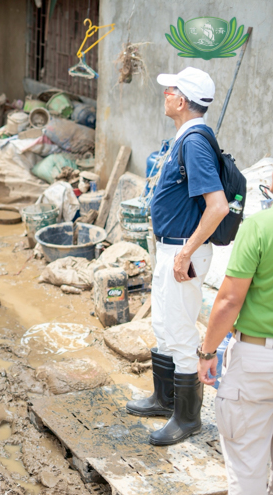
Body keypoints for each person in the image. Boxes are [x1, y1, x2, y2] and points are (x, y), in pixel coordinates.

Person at [125, 67, 229, 446]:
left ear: (181, 100)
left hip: (184, 249)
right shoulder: (185, 137)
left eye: (169, 90)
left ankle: (187, 419)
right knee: (166, 327)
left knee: (182, 333)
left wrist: (185, 253)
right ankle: (164, 399)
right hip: (172, 247)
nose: (164, 94)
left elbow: (217, 206)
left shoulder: (195, 142)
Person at [198, 174, 273, 494]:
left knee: (247, 468)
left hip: (258, 361)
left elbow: (229, 300)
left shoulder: (260, 226)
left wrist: (207, 352)